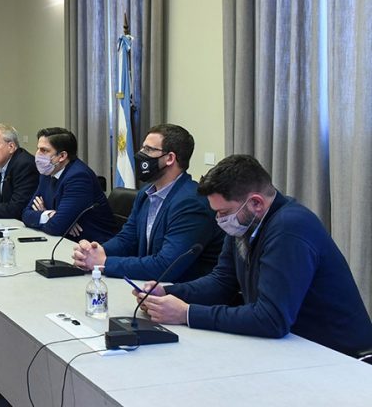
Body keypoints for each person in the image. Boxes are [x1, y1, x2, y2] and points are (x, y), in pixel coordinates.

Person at [132, 154, 372, 357]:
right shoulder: (245, 222)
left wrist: (186, 313)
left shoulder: (291, 228)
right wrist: (168, 293)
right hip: (293, 347)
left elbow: (271, 319)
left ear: (255, 203)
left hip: (339, 357)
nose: (219, 220)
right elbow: (221, 282)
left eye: (223, 212)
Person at [72, 124, 225, 281]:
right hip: (147, 286)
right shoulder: (146, 193)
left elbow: (165, 266)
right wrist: (95, 252)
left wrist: (104, 263)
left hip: (181, 295)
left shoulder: (191, 203)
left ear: (170, 158)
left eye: (149, 150)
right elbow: (127, 239)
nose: (140, 155)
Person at [21, 127, 115, 243]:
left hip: (93, 246)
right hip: (63, 241)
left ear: (62, 156)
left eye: (44, 150)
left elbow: (56, 227)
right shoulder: (46, 172)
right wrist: (49, 214)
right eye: (38, 149)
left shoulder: (78, 177)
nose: (37, 155)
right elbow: (25, 214)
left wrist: (56, 221)